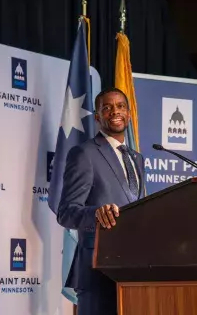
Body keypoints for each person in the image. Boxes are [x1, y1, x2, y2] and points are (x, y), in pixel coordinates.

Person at [57, 87, 145, 315]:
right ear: (97, 117)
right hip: (97, 269)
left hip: (134, 268)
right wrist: (96, 213)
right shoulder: (84, 153)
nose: (115, 111)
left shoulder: (137, 159)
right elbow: (66, 212)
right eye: (107, 108)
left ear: (128, 114)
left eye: (120, 106)